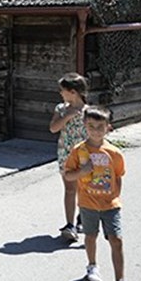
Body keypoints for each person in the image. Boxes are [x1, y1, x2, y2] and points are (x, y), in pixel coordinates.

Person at [64, 106, 126, 281]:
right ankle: (92, 266)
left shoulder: (114, 153)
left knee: (117, 239)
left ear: (108, 127)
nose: (96, 131)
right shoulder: (79, 150)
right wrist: (82, 172)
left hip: (110, 204)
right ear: (84, 125)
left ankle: (120, 279)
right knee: (90, 236)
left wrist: (115, 197)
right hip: (87, 203)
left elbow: (118, 176)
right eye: (91, 126)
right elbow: (68, 175)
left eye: (100, 127)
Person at [48, 72, 88, 241]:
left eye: (62, 90)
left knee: (85, 189)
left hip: (85, 157)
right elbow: (53, 128)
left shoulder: (89, 111)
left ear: (73, 92)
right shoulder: (61, 109)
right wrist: (68, 115)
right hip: (66, 155)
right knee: (70, 189)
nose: (60, 93)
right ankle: (70, 224)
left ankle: (84, 219)